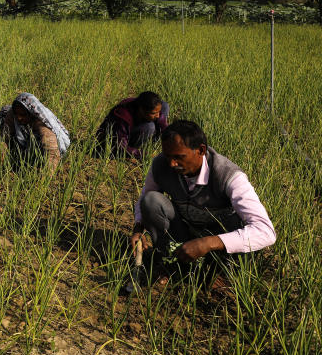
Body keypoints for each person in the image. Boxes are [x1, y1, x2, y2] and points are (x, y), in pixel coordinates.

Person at [130, 120, 275, 275]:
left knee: (236, 222)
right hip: (186, 229)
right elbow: (145, 197)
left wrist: (209, 243)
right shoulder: (161, 165)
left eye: (179, 157)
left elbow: (265, 231)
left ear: (200, 150)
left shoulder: (228, 176)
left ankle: (219, 272)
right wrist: (138, 228)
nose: (172, 163)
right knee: (151, 201)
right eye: (168, 156)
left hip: (220, 235)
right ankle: (173, 264)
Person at [0, 92, 70, 172]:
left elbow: (52, 151)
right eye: (17, 114)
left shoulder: (41, 123)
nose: (19, 118)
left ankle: (34, 159)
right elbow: (4, 137)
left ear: (30, 113)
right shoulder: (12, 114)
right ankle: (17, 150)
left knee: (36, 139)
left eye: (23, 115)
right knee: (2, 116)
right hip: (24, 137)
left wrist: (47, 174)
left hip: (50, 145)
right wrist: (0, 155)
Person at [95, 91, 169, 160]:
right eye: (153, 113)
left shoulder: (142, 105)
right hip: (116, 141)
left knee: (165, 106)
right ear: (141, 110)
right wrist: (142, 154)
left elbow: (161, 120)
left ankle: (151, 143)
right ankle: (136, 148)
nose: (158, 116)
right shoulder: (122, 116)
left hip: (134, 129)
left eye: (158, 112)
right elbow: (121, 146)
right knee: (149, 127)